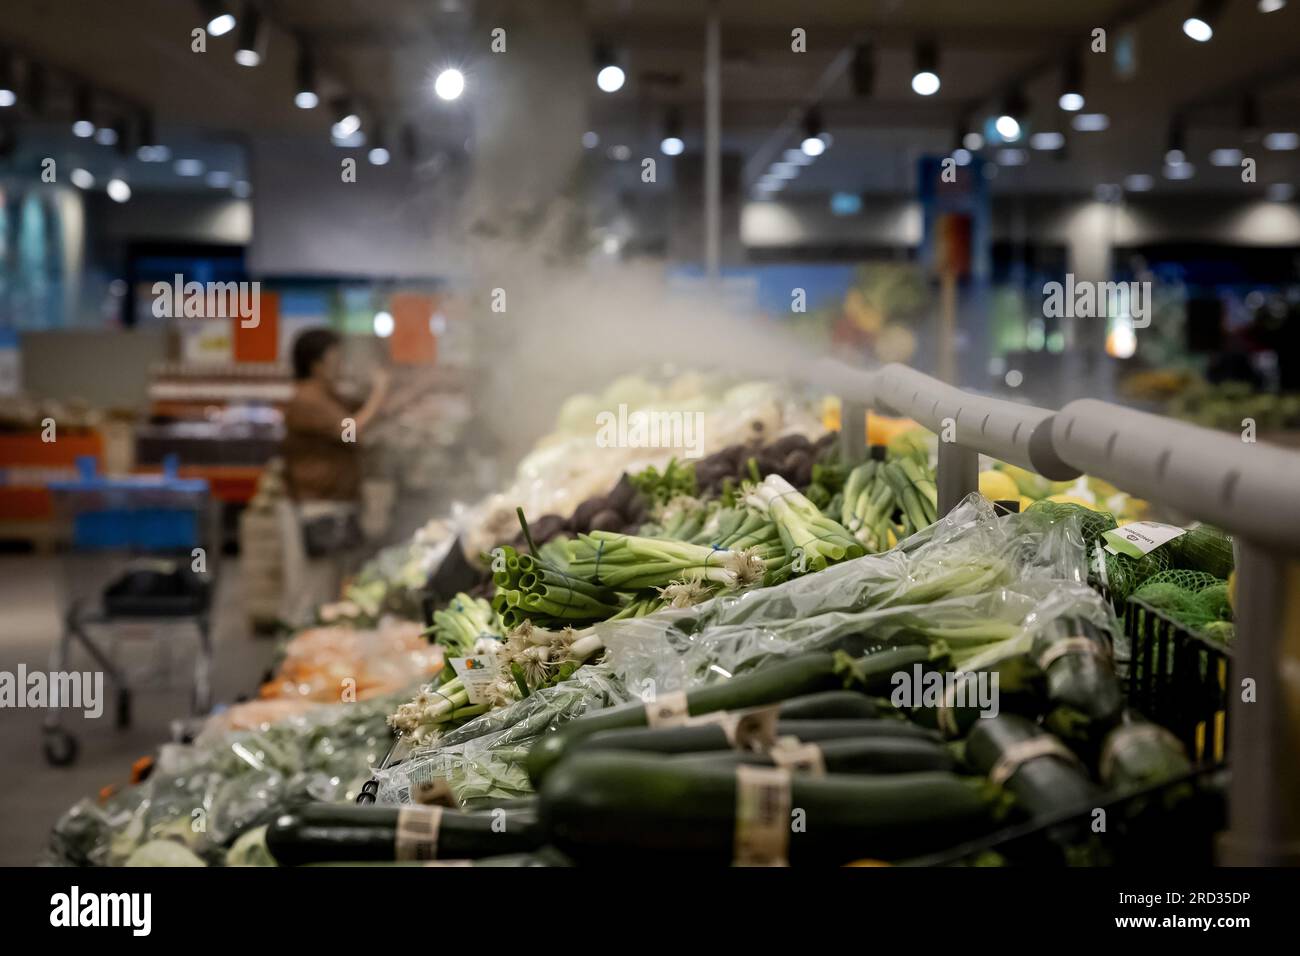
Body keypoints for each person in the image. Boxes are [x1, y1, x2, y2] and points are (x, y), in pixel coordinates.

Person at [277, 328, 389, 626]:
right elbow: (352, 430)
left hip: (331, 504)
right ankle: (297, 661)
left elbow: (365, 413)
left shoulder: (327, 395)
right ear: (316, 364)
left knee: (330, 593)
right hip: (314, 507)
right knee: (311, 596)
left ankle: (316, 656)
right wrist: (379, 390)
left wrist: (391, 392)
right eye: (336, 358)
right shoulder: (307, 399)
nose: (341, 364)